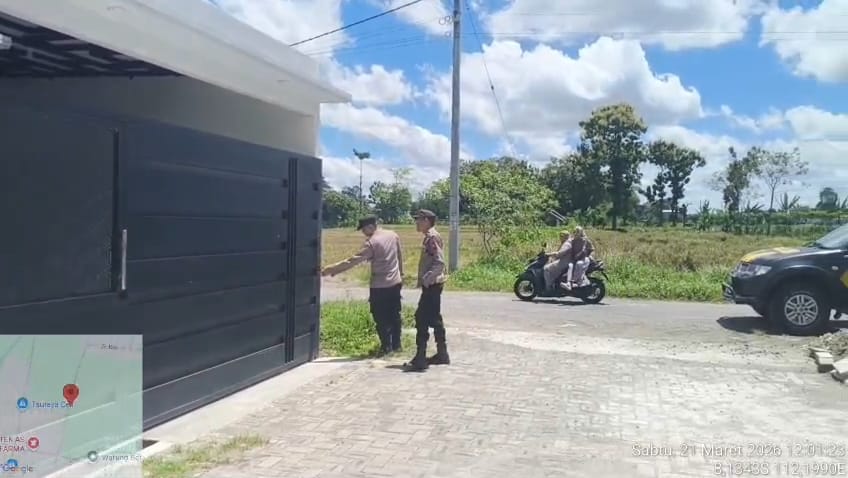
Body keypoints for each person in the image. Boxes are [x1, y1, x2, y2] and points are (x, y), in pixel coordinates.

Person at [322, 215, 404, 355]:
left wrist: (330, 270)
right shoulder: (393, 235)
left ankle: (386, 347)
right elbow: (399, 256)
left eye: (363, 229)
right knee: (395, 315)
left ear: (371, 226)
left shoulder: (372, 243)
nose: (363, 233)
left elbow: (353, 261)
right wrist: (401, 275)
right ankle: (397, 345)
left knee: (380, 317)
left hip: (379, 286)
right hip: (395, 283)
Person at [404, 209, 449, 371]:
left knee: (421, 318)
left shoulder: (431, 237)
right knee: (434, 318)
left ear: (427, 221)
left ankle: (420, 358)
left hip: (432, 285)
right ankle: (442, 354)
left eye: (419, 219)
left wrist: (427, 279)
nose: (416, 223)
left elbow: (439, 262)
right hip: (434, 285)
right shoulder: (430, 236)